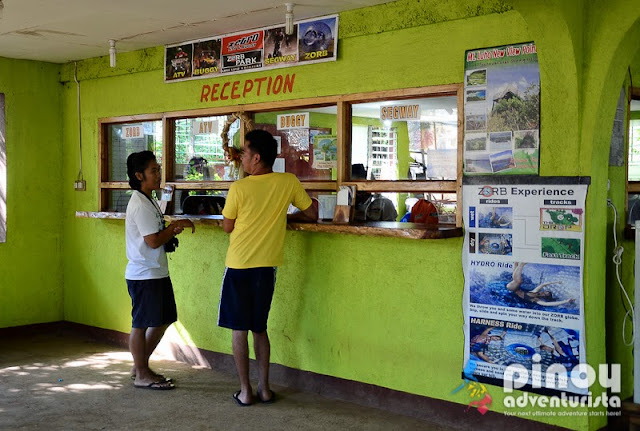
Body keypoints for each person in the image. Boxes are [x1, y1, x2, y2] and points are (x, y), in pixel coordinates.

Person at [219, 129, 318, 406]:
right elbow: (311, 212)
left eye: (245, 154)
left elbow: (228, 226)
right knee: (259, 328)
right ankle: (264, 388)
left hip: (239, 266)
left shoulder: (239, 188)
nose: (241, 159)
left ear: (257, 157)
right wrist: (279, 218)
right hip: (267, 268)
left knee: (239, 329)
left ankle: (245, 391)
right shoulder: (288, 182)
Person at [125, 151, 195, 390]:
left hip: (155, 271)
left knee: (163, 319)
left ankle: (140, 366)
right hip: (145, 274)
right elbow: (153, 241)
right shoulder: (140, 203)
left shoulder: (148, 199)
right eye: (153, 170)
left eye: (158, 169)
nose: (158, 174)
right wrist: (175, 228)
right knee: (141, 323)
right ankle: (142, 372)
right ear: (139, 175)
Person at [506, 262, 575, 307]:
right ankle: (516, 263)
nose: (543, 292)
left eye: (545, 294)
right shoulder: (535, 291)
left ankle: (522, 264)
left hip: (512, 289)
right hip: (514, 288)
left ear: (544, 297)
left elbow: (548, 304)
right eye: (545, 292)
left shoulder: (536, 300)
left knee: (518, 281)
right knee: (516, 278)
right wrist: (557, 282)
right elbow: (543, 285)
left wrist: (566, 301)